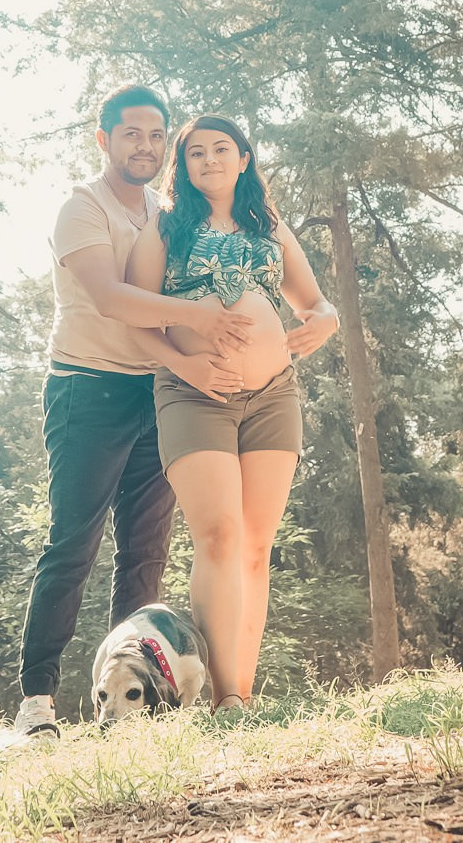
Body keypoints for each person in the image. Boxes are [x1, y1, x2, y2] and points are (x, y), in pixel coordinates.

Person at [13, 86, 253, 736]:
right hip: (85, 391)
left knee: (144, 553)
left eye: (155, 135)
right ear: (105, 140)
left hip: (156, 390)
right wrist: (195, 316)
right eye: (131, 134)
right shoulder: (81, 209)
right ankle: (37, 702)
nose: (144, 146)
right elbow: (111, 298)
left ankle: (131, 700)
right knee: (72, 545)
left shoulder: (164, 210)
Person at [125, 114, 338, 711]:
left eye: (222, 149)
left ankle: (240, 694)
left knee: (254, 547)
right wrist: (187, 366)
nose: (210, 160)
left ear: (244, 160)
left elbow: (315, 302)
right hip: (194, 397)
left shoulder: (268, 225)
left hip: (274, 395)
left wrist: (325, 320)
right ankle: (221, 699)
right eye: (196, 152)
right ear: (183, 167)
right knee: (218, 536)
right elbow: (132, 316)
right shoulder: (164, 230)